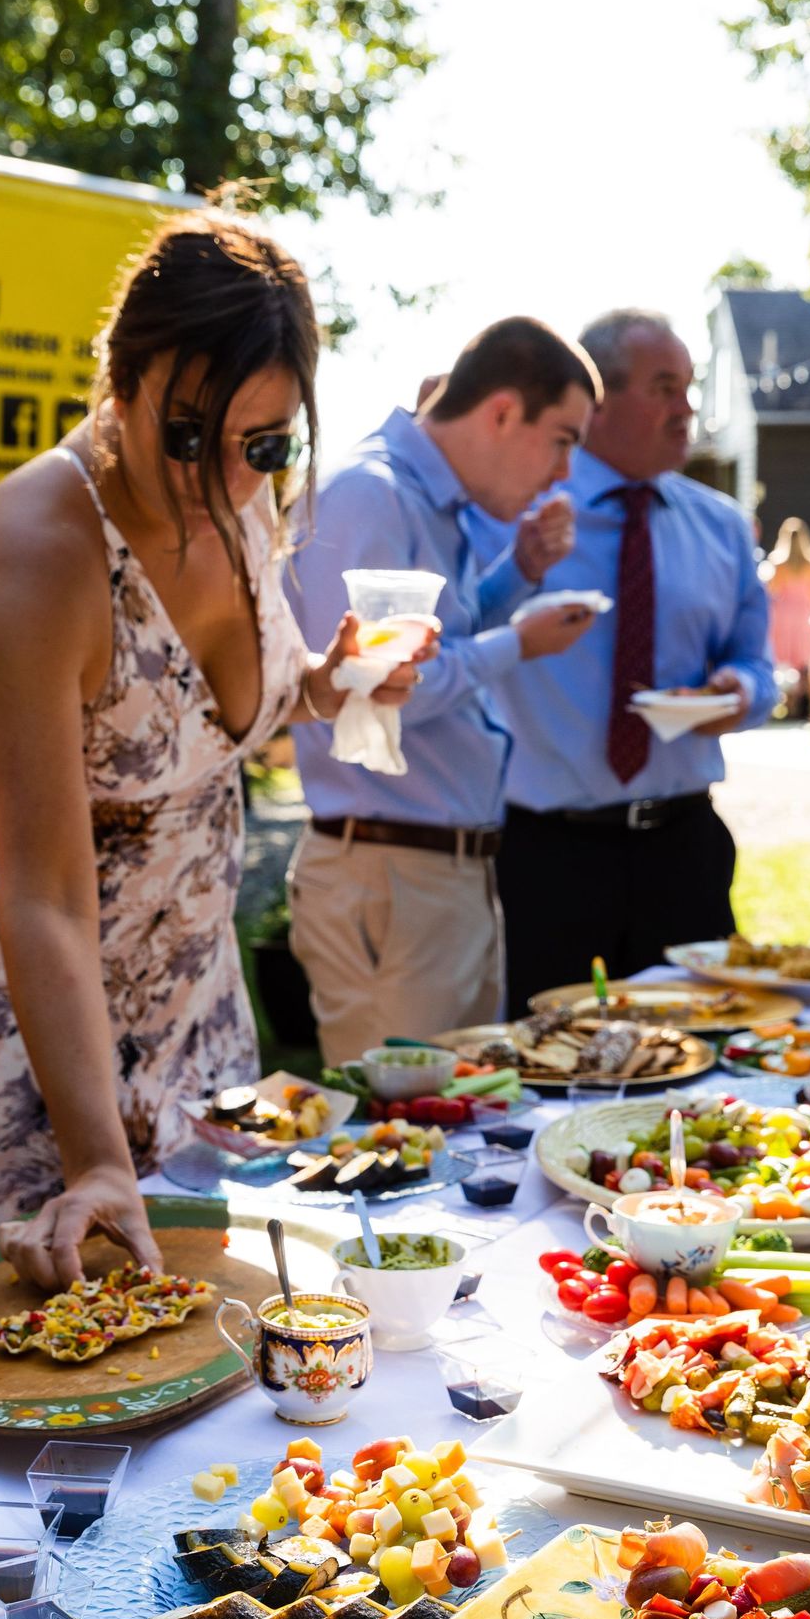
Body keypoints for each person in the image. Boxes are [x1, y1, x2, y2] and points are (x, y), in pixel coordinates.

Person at [0, 211, 428, 1285]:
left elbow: (201, 727)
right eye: (187, 435)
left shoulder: (246, 495)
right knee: (19, 1343)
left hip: (190, 984)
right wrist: (96, 1159)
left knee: (199, 1315)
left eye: (264, 445)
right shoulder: (46, 545)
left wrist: (325, 685)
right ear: (119, 378)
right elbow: (44, 893)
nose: (222, 479)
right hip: (27, 990)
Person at [286, 317, 600, 1064]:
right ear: (500, 411)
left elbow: (430, 642)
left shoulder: (425, 499)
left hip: (435, 877)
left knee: (457, 1134)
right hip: (392, 877)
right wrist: (517, 642)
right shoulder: (371, 494)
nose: (563, 474)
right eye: (562, 439)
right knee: (404, 1144)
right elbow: (373, 692)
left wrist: (515, 572)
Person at [494, 310, 777, 1013]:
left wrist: (737, 690)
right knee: (546, 1069)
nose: (687, 411)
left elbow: (757, 664)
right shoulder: (517, 517)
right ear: (597, 403)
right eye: (664, 389)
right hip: (547, 857)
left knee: (701, 1073)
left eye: (689, 388)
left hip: (683, 850)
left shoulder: (721, 528)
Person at [761, 515, 810, 713]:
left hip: (782, 616)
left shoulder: (778, 562)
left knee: (781, 660)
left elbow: (772, 590)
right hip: (803, 616)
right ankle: (802, 704)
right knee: (802, 662)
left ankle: (781, 703)